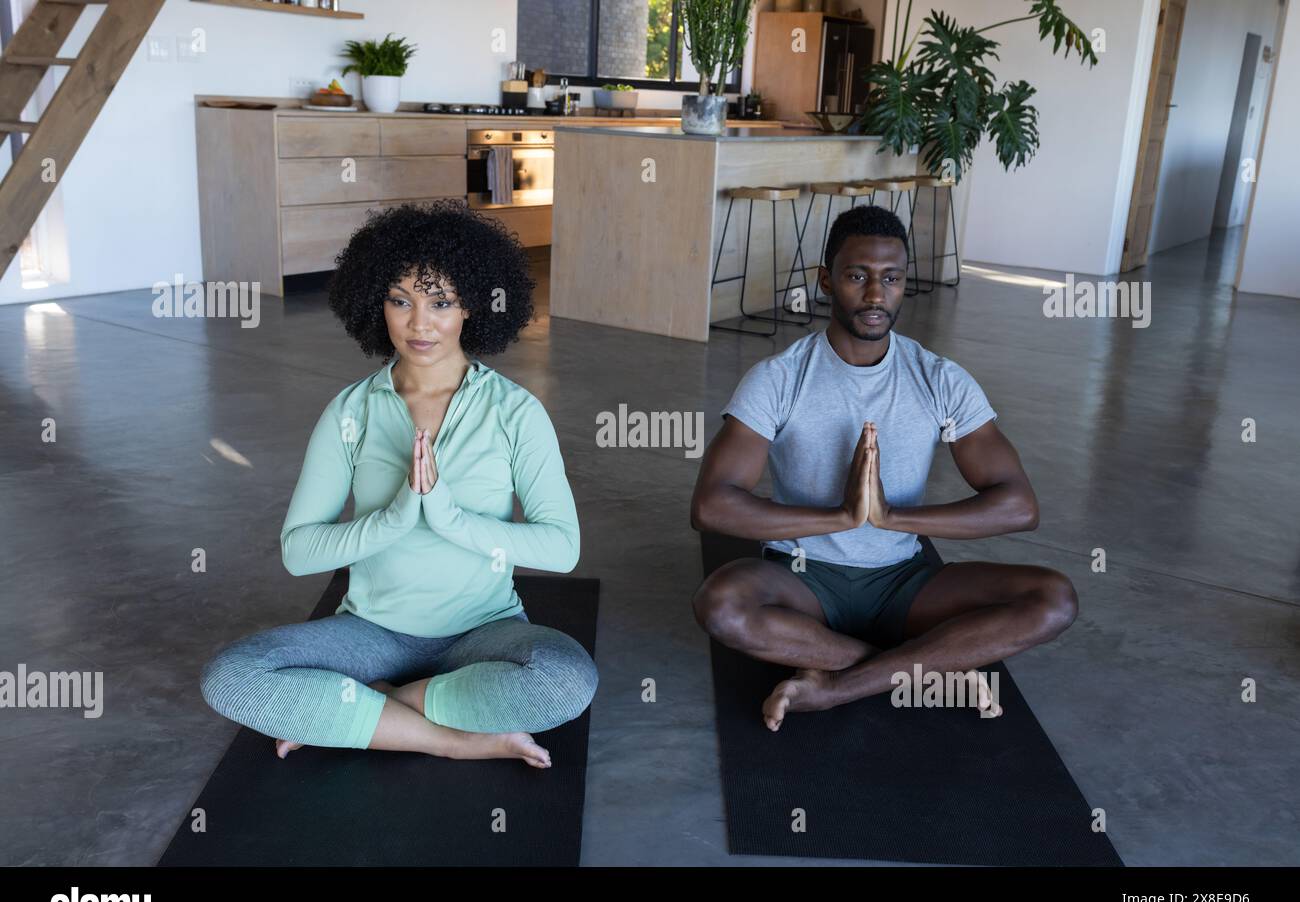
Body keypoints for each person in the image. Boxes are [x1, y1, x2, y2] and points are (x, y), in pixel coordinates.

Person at [201, 201, 596, 768]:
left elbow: (561, 547)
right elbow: (298, 552)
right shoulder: (349, 412)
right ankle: (450, 738)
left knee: (564, 682)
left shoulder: (516, 412)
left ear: (471, 309)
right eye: (399, 300)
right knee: (232, 678)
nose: (419, 323)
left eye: (440, 302)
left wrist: (449, 517)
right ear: (375, 304)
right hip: (370, 634)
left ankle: (374, 710)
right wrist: (395, 517)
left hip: (484, 632)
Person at [690, 204, 1077, 730]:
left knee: (1052, 599)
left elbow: (1018, 506)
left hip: (904, 580)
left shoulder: (939, 378)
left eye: (891, 279)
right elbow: (712, 506)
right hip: (802, 581)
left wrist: (891, 518)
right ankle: (926, 668)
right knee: (721, 605)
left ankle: (837, 683)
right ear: (826, 281)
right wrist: (843, 516)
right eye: (857, 276)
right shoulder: (778, 378)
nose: (876, 295)